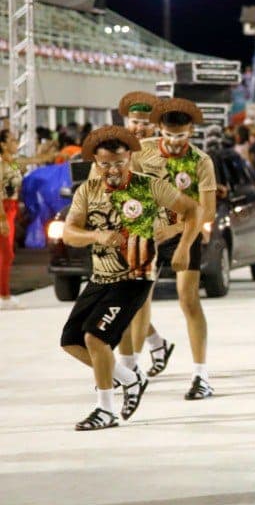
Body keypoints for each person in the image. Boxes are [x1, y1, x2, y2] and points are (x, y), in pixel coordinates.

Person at [57, 127, 199, 430]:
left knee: (95, 337)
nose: (113, 170)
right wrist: (96, 234)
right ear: (95, 162)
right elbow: (69, 232)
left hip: (135, 277)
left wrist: (183, 245)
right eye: (106, 164)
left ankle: (105, 410)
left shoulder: (149, 186)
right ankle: (129, 378)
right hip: (100, 277)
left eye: (120, 163)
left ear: (130, 159)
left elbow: (192, 210)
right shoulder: (87, 191)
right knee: (70, 341)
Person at [131, 98, 218, 398]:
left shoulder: (200, 161)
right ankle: (132, 370)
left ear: (191, 132)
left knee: (188, 300)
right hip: (147, 233)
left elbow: (207, 212)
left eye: (181, 136)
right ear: (160, 131)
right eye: (169, 136)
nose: (175, 142)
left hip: (186, 233)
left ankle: (201, 374)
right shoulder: (144, 151)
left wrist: (179, 238)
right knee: (140, 301)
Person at [113, 91, 175, 373]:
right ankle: (156, 343)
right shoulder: (114, 147)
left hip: (151, 232)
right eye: (135, 121)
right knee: (127, 302)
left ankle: (131, 366)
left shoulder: (164, 152)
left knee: (137, 299)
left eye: (145, 123)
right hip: (119, 235)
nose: (140, 127)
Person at [1, 128, 23, 309]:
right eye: (13, 140)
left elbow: (21, 167)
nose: (16, 143)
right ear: (3, 144)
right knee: (6, 254)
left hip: (12, 208)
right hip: (3, 208)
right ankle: (4, 295)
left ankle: (4, 293)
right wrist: (2, 219)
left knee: (7, 254)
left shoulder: (12, 163)